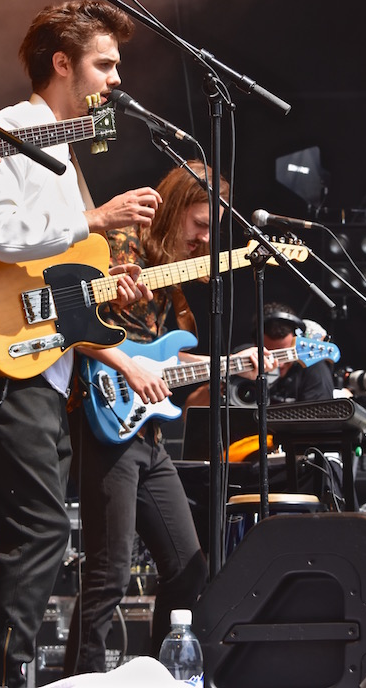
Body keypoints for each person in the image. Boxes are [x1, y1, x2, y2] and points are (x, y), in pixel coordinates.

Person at [0, 0, 164, 688]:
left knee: (35, 538)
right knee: (38, 537)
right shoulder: (13, 128)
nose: (116, 79)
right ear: (62, 63)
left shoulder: (62, 144)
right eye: (105, 63)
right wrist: (95, 217)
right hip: (0, 372)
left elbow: (44, 279)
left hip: (40, 370)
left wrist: (105, 292)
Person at [62, 161, 272, 676]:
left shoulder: (171, 285)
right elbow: (75, 320)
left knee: (188, 567)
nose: (205, 240)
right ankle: (81, 680)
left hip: (148, 434)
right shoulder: (119, 245)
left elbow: (159, 356)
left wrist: (237, 365)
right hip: (103, 420)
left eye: (212, 232)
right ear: (175, 208)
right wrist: (114, 306)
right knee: (108, 576)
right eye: (200, 226)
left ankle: (157, 678)